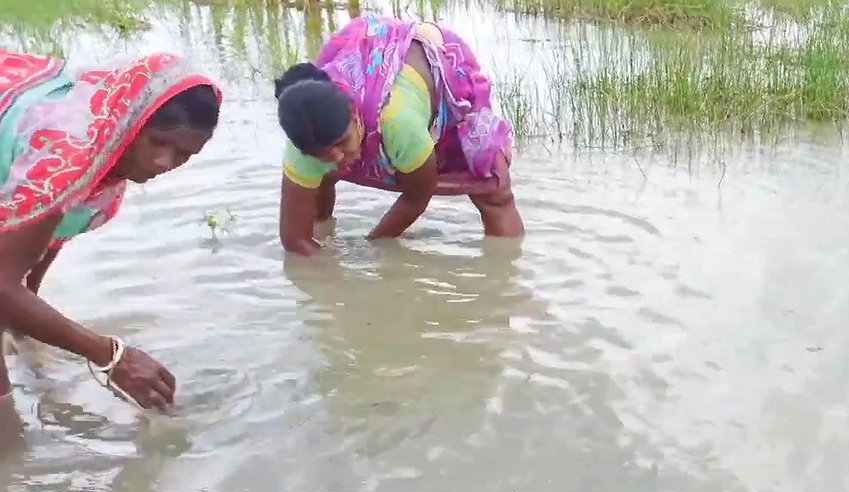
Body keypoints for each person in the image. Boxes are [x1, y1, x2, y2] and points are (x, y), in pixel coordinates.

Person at [0, 51, 222, 410]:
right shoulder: (65, 159)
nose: (163, 162)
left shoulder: (110, 141)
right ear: (135, 120)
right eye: (158, 142)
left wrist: (26, 313)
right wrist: (112, 356)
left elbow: (46, 234)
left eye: (183, 154)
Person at [275, 15, 523, 256]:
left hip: (434, 61)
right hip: (363, 61)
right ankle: (323, 221)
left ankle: (507, 272)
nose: (339, 157)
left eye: (342, 143)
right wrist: (328, 281)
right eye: (322, 154)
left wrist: (372, 246)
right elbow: (295, 240)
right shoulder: (304, 141)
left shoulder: (398, 122)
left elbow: (417, 196)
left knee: (493, 188)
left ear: (354, 114)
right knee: (320, 176)